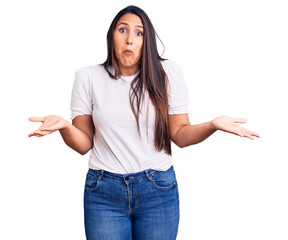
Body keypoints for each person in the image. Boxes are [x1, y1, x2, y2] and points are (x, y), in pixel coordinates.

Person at [28, 5, 260, 240]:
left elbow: (179, 134)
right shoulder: (87, 77)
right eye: (122, 30)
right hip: (103, 192)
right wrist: (65, 128)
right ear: (112, 36)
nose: (130, 39)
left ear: (147, 41)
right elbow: (83, 144)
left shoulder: (167, 72)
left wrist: (212, 125)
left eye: (139, 33)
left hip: (157, 190)